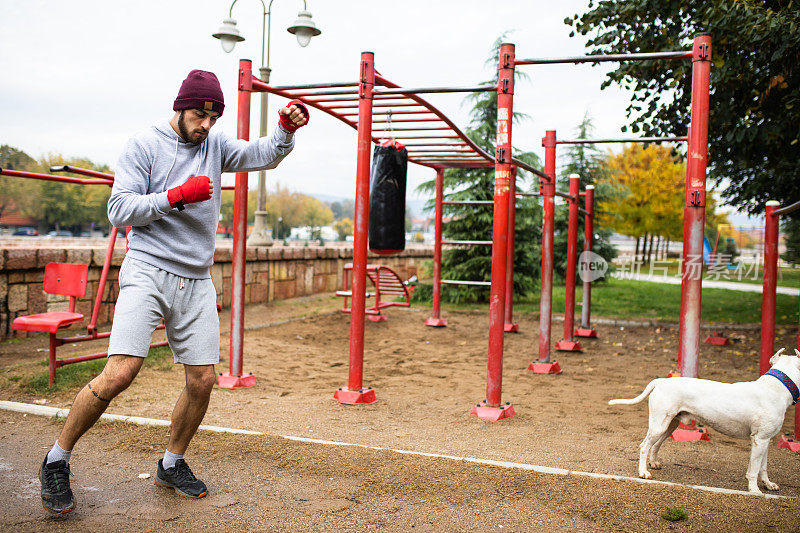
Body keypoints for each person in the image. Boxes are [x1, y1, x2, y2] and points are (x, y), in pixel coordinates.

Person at [39, 69, 308, 515]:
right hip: (147, 267)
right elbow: (119, 209)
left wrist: (284, 129)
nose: (206, 125)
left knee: (203, 380)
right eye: (200, 114)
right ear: (180, 107)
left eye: (213, 117)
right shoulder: (143, 145)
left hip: (196, 277)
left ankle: (171, 462)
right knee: (121, 372)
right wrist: (177, 195)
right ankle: (56, 458)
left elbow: (262, 155)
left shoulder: (214, 146)